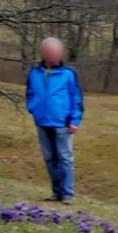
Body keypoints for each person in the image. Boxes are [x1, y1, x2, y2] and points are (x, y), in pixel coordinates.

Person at [25, 37, 84, 203]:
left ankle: (67, 194)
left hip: (63, 123)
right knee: (50, 158)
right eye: (49, 51)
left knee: (64, 158)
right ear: (43, 53)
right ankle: (56, 192)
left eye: (56, 52)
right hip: (42, 122)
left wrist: (75, 120)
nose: (53, 55)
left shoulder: (68, 74)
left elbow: (76, 98)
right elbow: (30, 94)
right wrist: (33, 108)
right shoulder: (34, 73)